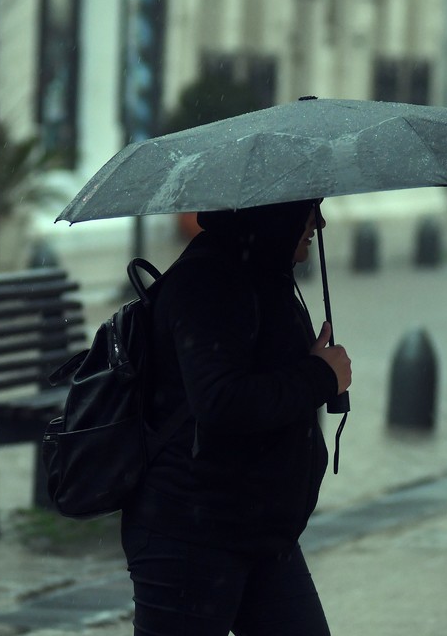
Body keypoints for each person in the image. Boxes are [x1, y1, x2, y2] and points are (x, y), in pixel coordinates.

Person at [122, 198, 351, 636]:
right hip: (191, 536)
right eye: (310, 209)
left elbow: (252, 372)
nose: (318, 222)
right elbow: (220, 402)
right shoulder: (208, 280)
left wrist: (308, 366)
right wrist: (320, 376)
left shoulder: (262, 274)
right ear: (276, 212)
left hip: (259, 530)